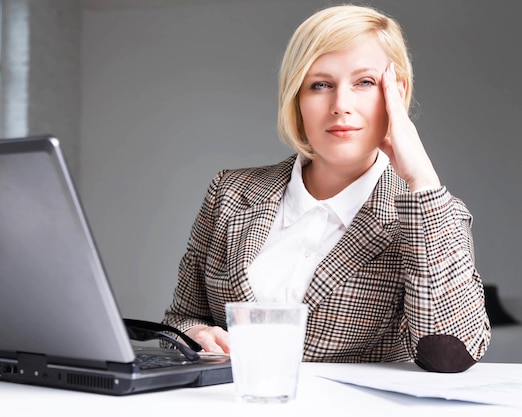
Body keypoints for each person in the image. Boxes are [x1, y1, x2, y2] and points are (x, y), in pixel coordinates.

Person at [161, 4, 491, 373]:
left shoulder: (430, 215)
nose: (340, 105)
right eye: (320, 85)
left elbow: (452, 355)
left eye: (364, 83)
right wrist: (198, 334)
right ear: (296, 98)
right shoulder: (230, 192)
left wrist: (423, 181)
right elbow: (182, 318)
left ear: (395, 93)